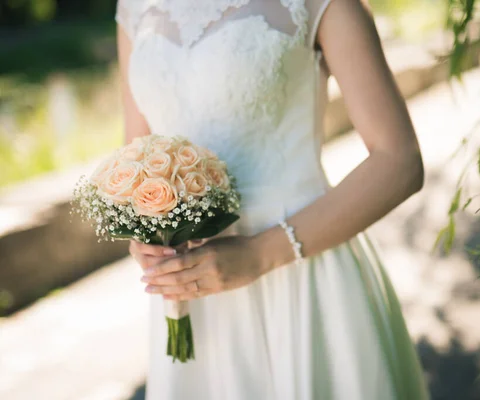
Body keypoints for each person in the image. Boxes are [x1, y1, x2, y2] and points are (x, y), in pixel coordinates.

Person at [120, 0, 429, 398]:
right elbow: (138, 156)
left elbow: (399, 160)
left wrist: (259, 255)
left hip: (302, 270)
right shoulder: (133, 8)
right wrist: (143, 235)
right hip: (193, 290)